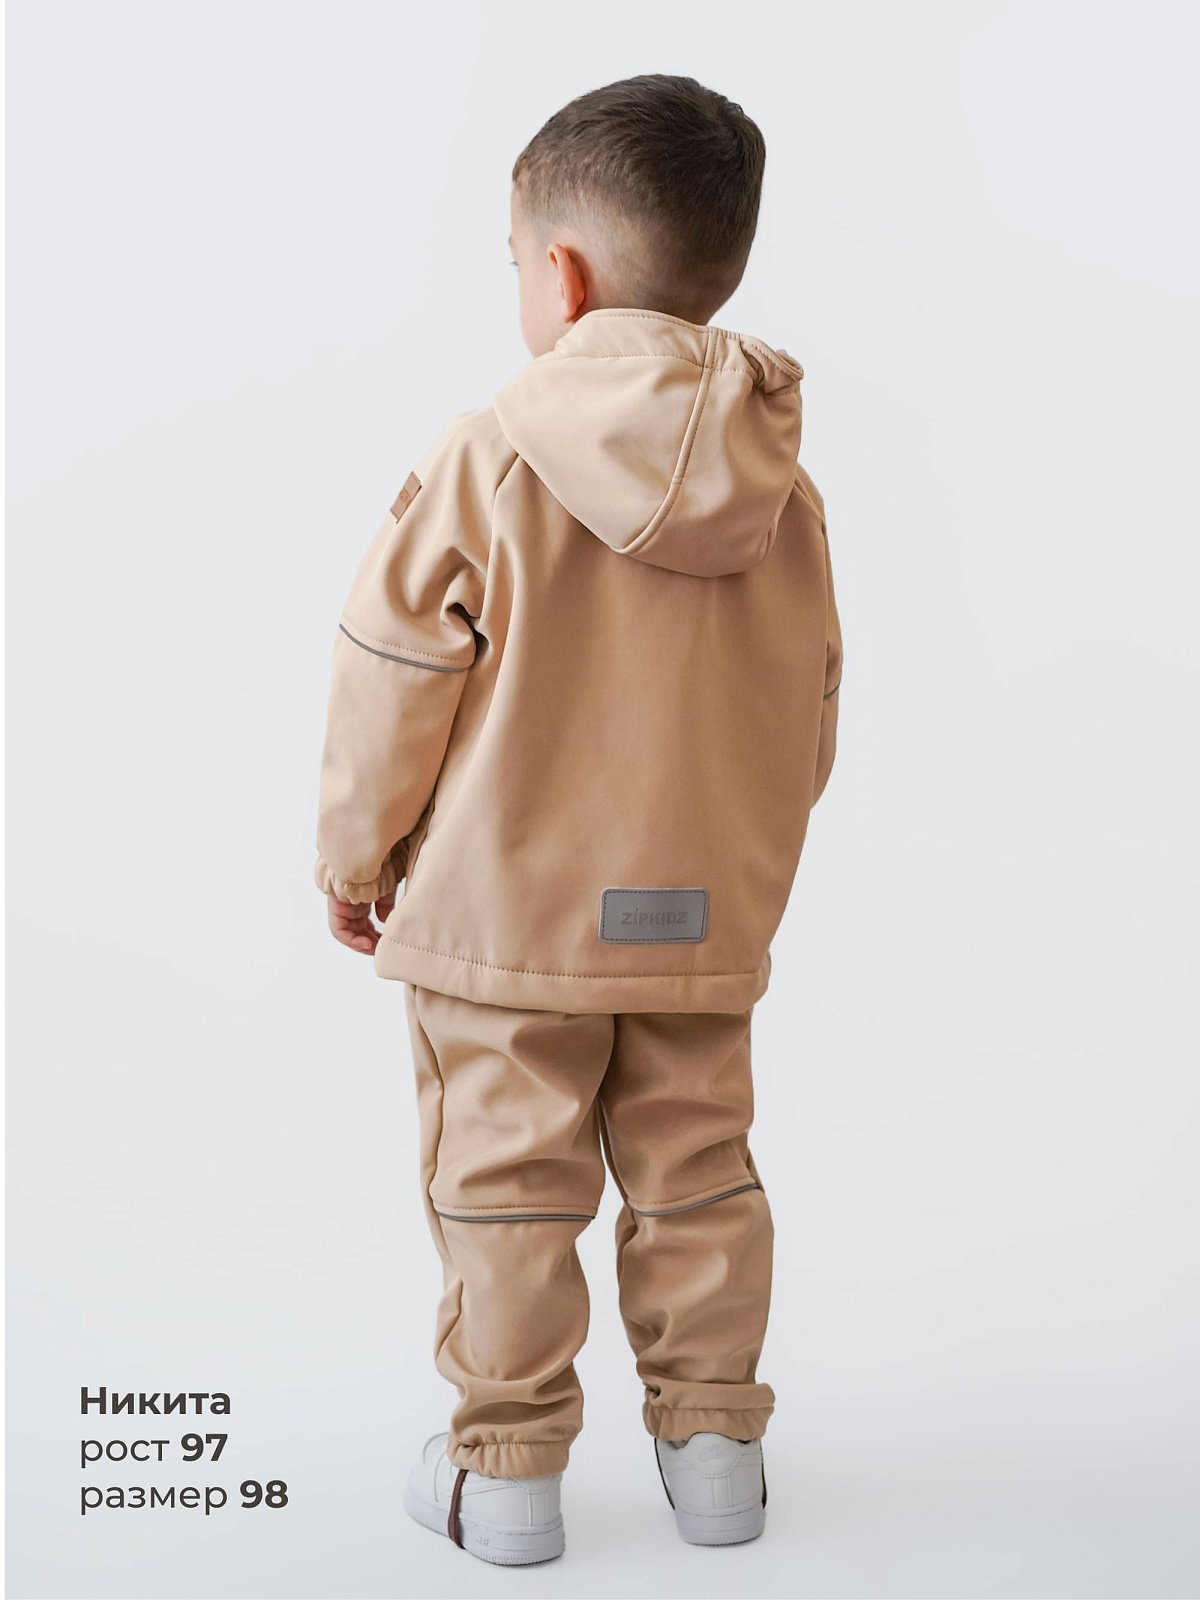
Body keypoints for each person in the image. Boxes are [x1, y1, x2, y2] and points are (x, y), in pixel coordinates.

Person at [313, 72, 843, 1567]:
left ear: (558, 277)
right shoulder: (784, 492)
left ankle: (508, 1476)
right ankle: (718, 1454)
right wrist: (740, 871)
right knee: (700, 1170)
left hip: (503, 926)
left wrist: (357, 858)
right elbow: (810, 706)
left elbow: (393, 674)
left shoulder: (485, 457)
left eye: (511, 263)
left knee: (503, 1187)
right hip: (702, 919)